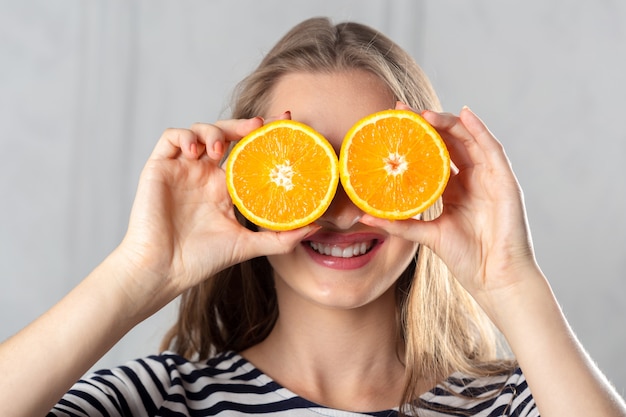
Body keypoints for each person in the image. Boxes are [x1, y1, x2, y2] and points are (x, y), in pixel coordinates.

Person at [0, 16, 624, 417]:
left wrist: (510, 278)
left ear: (429, 175)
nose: (343, 211)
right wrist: (141, 272)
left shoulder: (520, 403)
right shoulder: (160, 401)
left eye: (373, 164)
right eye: (304, 168)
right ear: (245, 184)